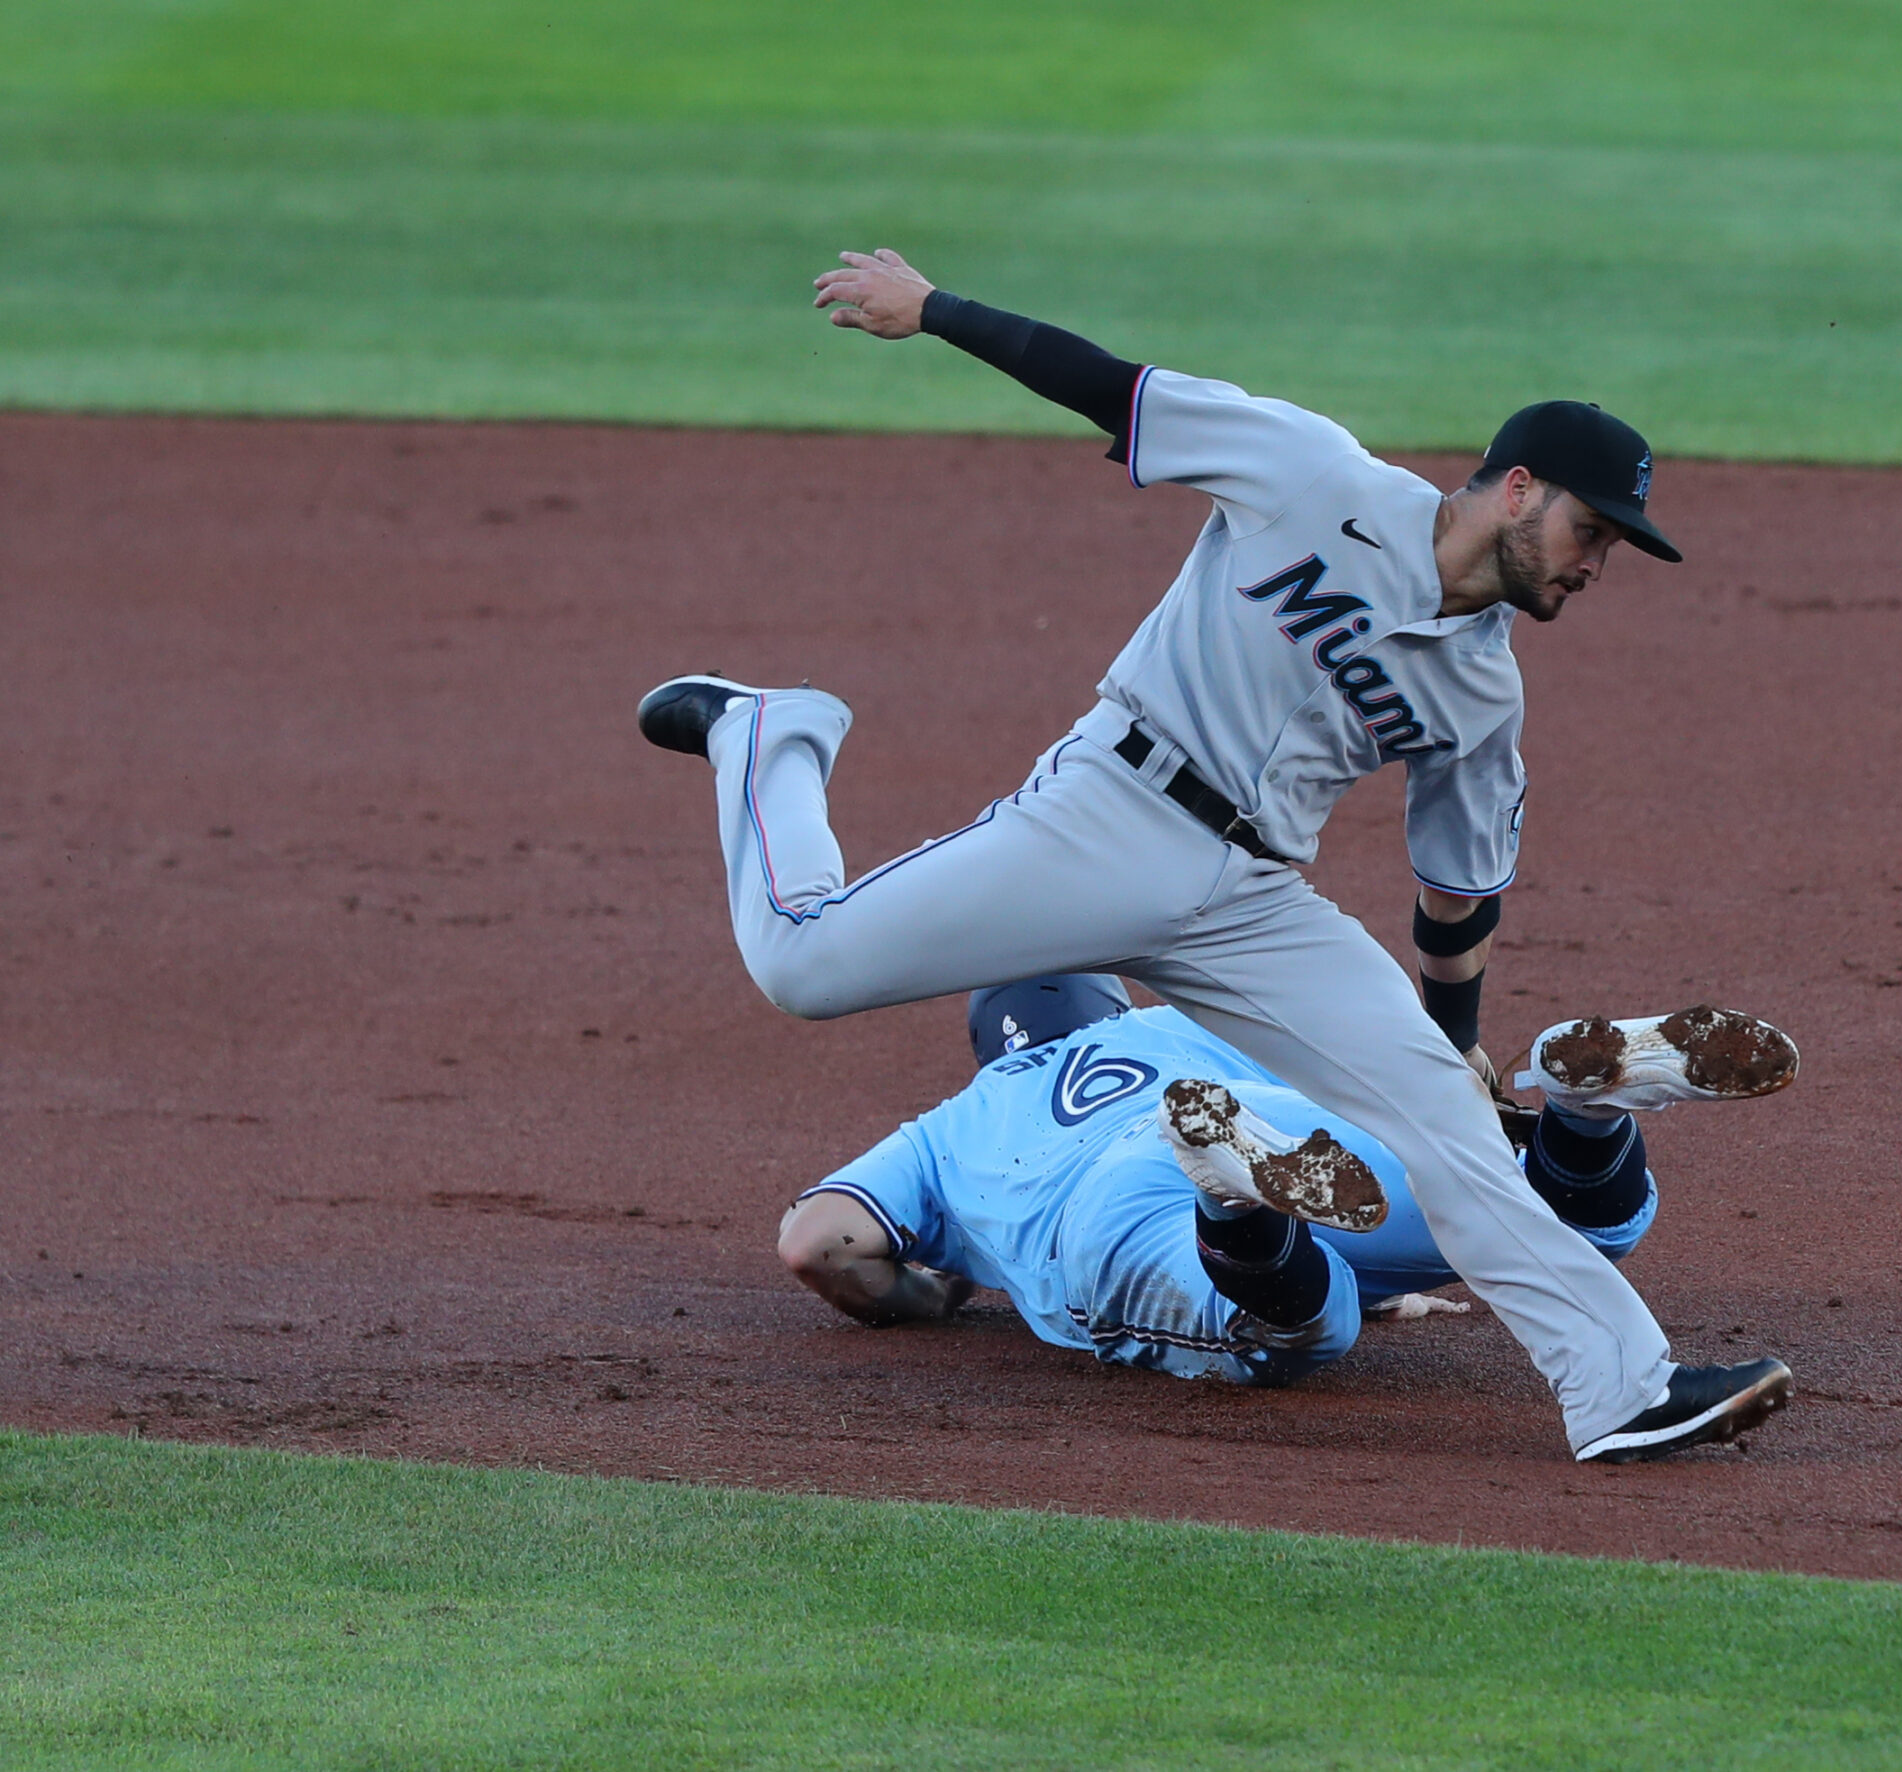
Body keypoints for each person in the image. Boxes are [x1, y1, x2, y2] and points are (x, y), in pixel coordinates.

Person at [637, 245, 1799, 1461]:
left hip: (1250, 898)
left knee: (1446, 1124)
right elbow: (1113, 387)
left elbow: (1457, 896)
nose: (1596, 561)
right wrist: (932, 312)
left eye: (1614, 545)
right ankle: (770, 735)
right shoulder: (1311, 473)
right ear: (1516, 487)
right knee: (802, 968)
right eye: (1591, 528)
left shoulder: (1483, 690)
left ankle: (1619, 1388)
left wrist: (1445, 1049)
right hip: (1105, 814)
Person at [777, 977, 1795, 1464]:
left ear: (993, 1051)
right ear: (1103, 1001)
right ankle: (1578, 1112)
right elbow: (1388, 1066)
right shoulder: (1173, 1021)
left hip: (1115, 1214)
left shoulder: (950, 1126)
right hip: (1270, 1110)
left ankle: (1232, 1197)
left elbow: (817, 1241)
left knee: (1312, 1327)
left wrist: (930, 1292)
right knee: (1555, 1227)